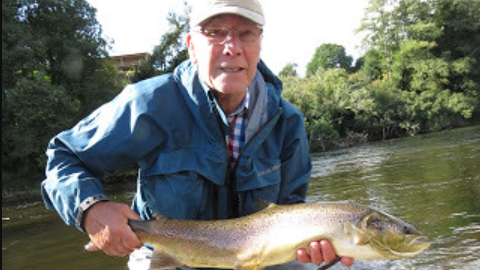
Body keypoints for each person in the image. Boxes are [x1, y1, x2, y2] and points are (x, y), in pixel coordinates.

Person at [41, 0, 354, 269]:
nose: (232, 47)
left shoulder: (288, 122)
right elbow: (64, 156)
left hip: (257, 260)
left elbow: (292, 211)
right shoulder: (149, 105)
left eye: (245, 33)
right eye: (215, 32)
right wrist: (90, 208)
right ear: (191, 45)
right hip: (163, 254)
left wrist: (317, 248)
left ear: (260, 43)